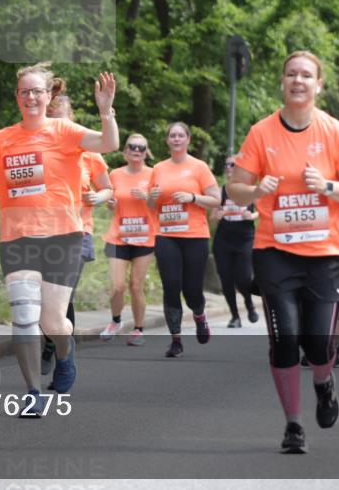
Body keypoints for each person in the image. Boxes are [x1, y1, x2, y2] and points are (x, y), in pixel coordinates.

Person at [228, 50, 339, 454]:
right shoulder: (261, 133)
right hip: (275, 251)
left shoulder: (333, 131)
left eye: (306, 75)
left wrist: (327, 186)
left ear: (318, 85)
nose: (298, 80)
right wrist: (256, 191)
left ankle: (324, 384)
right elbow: (235, 186)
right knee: (285, 339)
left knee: (318, 346)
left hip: (326, 254)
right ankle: (293, 425)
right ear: (282, 81)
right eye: (291, 74)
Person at [0, 64, 117, 415]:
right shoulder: (3, 138)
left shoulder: (63, 130)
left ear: (48, 97)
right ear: (17, 97)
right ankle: (33, 392)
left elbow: (108, 143)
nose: (31, 97)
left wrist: (106, 111)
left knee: (52, 322)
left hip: (62, 237)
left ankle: (65, 352)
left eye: (37, 91)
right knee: (23, 316)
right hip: (16, 238)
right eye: (24, 92)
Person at [41, 91, 111, 377]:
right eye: (53, 118)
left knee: (62, 296)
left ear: (71, 119)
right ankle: (51, 341)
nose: (58, 123)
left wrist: (98, 197)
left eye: (63, 118)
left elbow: (108, 188)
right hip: (41, 232)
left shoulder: (88, 150)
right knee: (44, 298)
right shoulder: (38, 147)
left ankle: (59, 353)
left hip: (77, 232)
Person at [147, 122, 221, 358]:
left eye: (181, 135)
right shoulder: (158, 168)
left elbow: (216, 199)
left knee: (191, 289)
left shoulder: (199, 167)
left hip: (195, 235)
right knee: (171, 285)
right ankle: (176, 339)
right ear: (167, 141)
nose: (176, 139)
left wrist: (191, 197)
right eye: (172, 135)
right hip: (166, 234)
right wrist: (152, 197)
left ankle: (199, 315)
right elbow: (150, 205)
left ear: (188, 139)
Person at [101, 134, 156, 345]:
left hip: (144, 237)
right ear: (125, 150)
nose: (136, 150)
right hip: (118, 237)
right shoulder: (115, 174)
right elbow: (109, 201)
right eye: (132, 146)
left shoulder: (153, 174)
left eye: (141, 148)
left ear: (146, 152)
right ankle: (115, 321)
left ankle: (138, 329)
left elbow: (158, 205)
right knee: (117, 286)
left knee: (136, 285)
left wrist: (148, 198)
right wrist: (111, 204)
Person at [210, 154, 259, 328]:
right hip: (224, 238)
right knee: (226, 278)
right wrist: (218, 215)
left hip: (245, 237)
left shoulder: (251, 189)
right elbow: (212, 218)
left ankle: (249, 304)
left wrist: (251, 215)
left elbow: (262, 211)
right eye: (227, 165)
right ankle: (235, 316)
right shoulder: (221, 190)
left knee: (244, 278)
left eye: (233, 164)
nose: (229, 167)